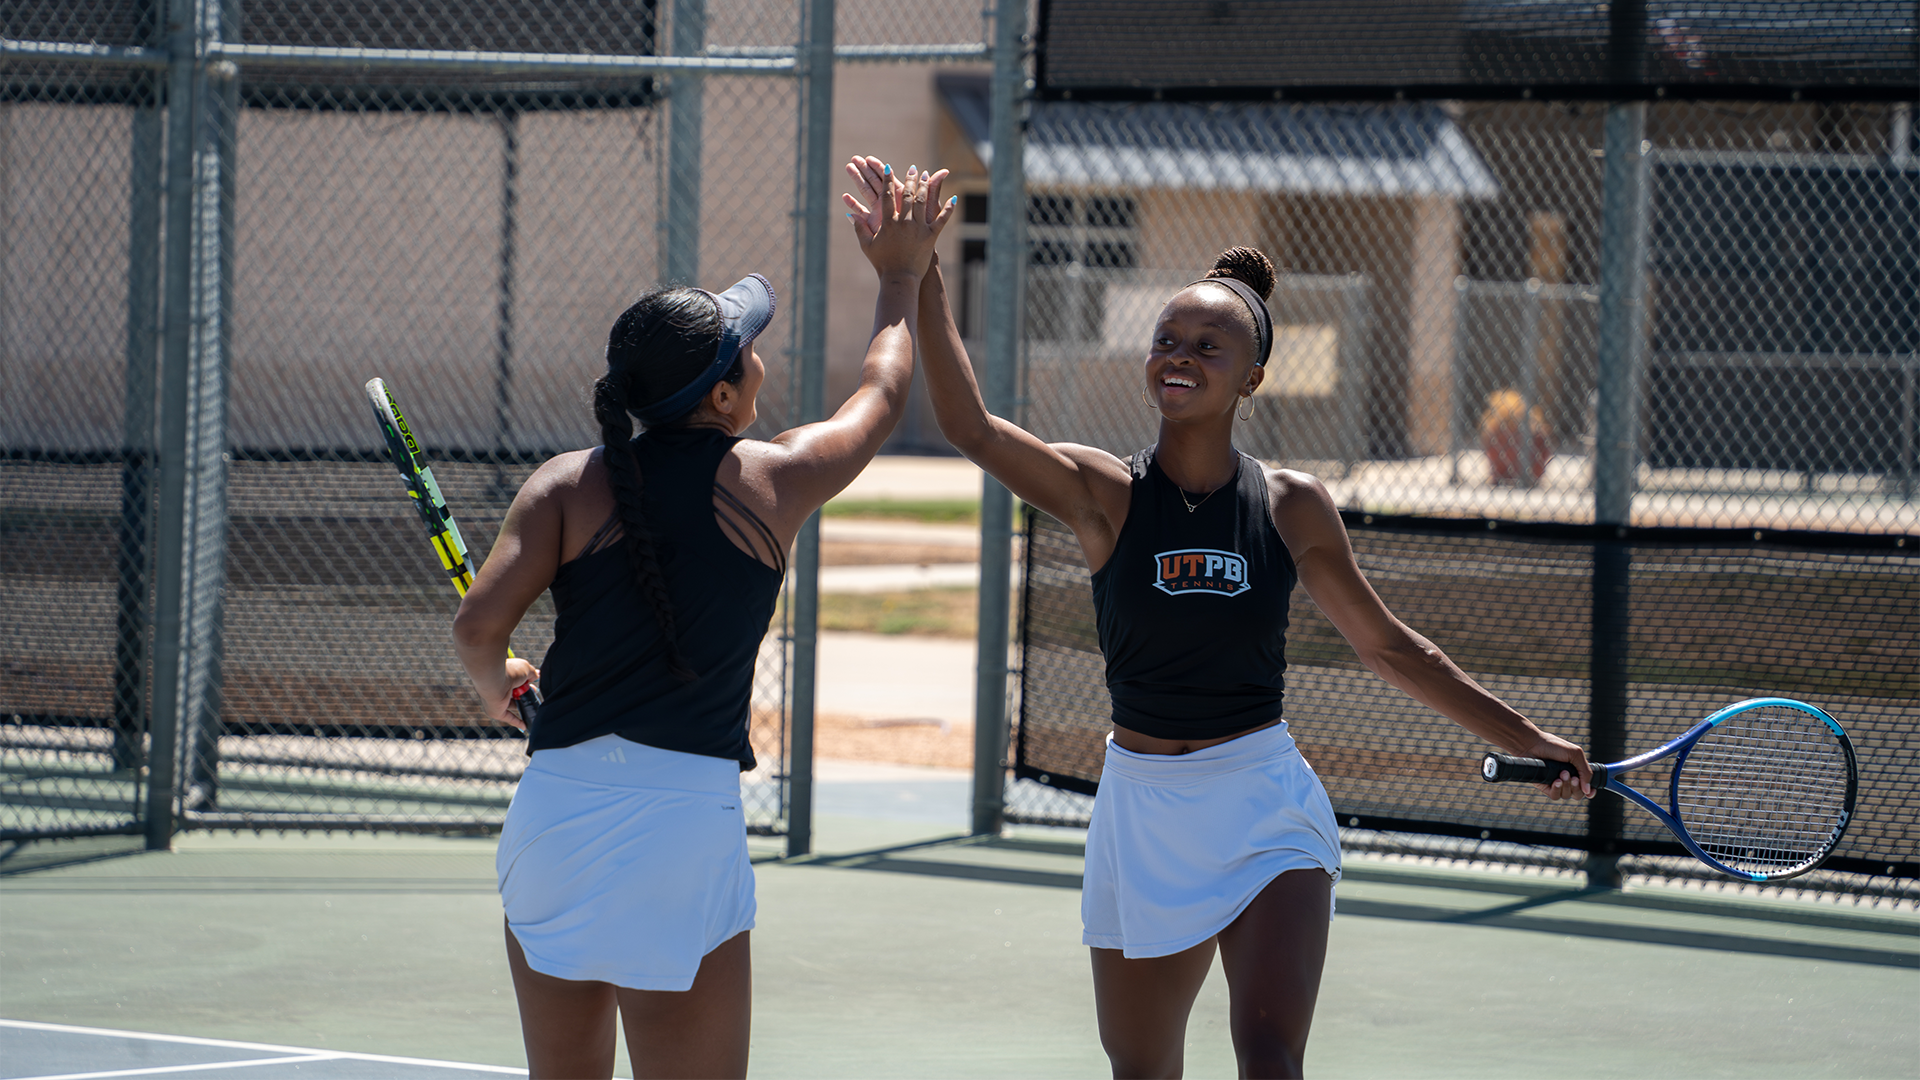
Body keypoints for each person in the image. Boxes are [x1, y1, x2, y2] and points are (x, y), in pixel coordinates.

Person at [844, 158, 1595, 1080]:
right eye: (1169, 338)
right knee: (1143, 1070)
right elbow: (971, 428)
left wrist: (1532, 738)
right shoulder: (1103, 494)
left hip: (1262, 803)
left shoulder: (1292, 506)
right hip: (1140, 810)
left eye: (1209, 345)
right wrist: (913, 276)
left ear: (1254, 377)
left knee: (1270, 1059)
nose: (1181, 355)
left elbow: (1395, 649)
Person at [454, 160, 952, 1079]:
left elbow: (479, 630)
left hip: (552, 818)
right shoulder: (772, 480)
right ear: (724, 396)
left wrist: (502, 688)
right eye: (749, 349)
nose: (761, 356)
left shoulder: (567, 483)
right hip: (684, 829)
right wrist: (897, 276)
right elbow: (880, 399)